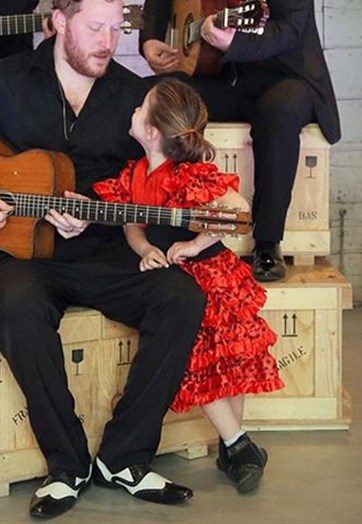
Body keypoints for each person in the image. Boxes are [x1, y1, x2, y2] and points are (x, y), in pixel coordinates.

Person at [0, 0, 205, 519]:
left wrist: (112, 212)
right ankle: (67, 465)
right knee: (19, 308)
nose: (108, 41)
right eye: (94, 28)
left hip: (104, 248)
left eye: (116, 28)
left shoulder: (137, 96)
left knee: (182, 298)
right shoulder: (3, 80)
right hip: (19, 252)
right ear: (59, 22)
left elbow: (153, 178)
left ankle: (124, 458)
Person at [139, 0, 341, 282]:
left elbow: (290, 29)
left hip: (284, 75)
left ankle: (267, 244)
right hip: (222, 75)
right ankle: (166, 229)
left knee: (279, 111)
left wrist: (235, 42)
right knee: (155, 97)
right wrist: (151, 38)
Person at [93, 77, 284, 494]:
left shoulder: (186, 175)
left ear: (152, 132)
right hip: (179, 284)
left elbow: (237, 210)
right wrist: (145, 249)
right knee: (200, 360)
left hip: (213, 278)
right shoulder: (136, 174)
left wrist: (196, 243)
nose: (133, 110)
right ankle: (238, 448)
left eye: (140, 107)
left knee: (226, 363)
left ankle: (234, 445)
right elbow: (132, 224)